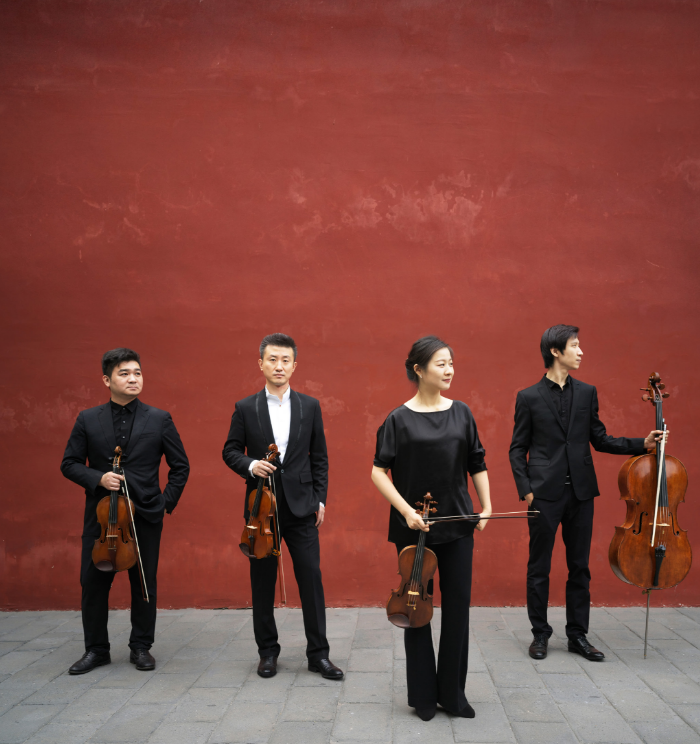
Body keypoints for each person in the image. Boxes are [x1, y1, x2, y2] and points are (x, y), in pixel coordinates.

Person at [509, 325, 667, 662]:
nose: (581, 352)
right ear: (556, 351)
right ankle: (540, 634)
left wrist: (642, 444)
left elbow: (600, 438)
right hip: (544, 495)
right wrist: (527, 492)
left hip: (581, 494)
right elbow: (517, 449)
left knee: (579, 566)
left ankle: (577, 635)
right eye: (575, 346)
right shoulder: (528, 397)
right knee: (539, 567)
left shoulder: (587, 392)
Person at [371, 335, 492, 721]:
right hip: (414, 528)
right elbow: (378, 471)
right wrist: (407, 511)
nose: (449, 370)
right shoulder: (398, 419)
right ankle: (423, 697)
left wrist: (487, 506)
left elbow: (476, 462)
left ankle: (453, 695)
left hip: (457, 524)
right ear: (419, 370)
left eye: (451, 363)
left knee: (458, 609)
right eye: (441, 364)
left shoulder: (463, 413)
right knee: (416, 609)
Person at [222, 333, 343, 681]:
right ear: (261, 364)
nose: (279, 366)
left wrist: (320, 498)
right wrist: (250, 465)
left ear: (294, 365)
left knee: (311, 579)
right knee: (262, 582)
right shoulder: (246, 407)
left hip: (302, 507)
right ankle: (267, 653)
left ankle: (319, 655)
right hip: (261, 509)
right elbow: (230, 450)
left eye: (285, 360)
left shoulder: (310, 406)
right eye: (272, 359)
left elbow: (320, 458)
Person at [61, 348, 190, 674]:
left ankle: (141, 647)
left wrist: (164, 503)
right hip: (102, 517)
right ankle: (96, 650)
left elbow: (181, 466)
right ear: (107, 380)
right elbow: (69, 464)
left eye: (137, 373)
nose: (133, 379)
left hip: (144, 514)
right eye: (124, 374)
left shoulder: (159, 418)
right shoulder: (87, 419)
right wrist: (98, 478)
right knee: (92, 583)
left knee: (144, 584)